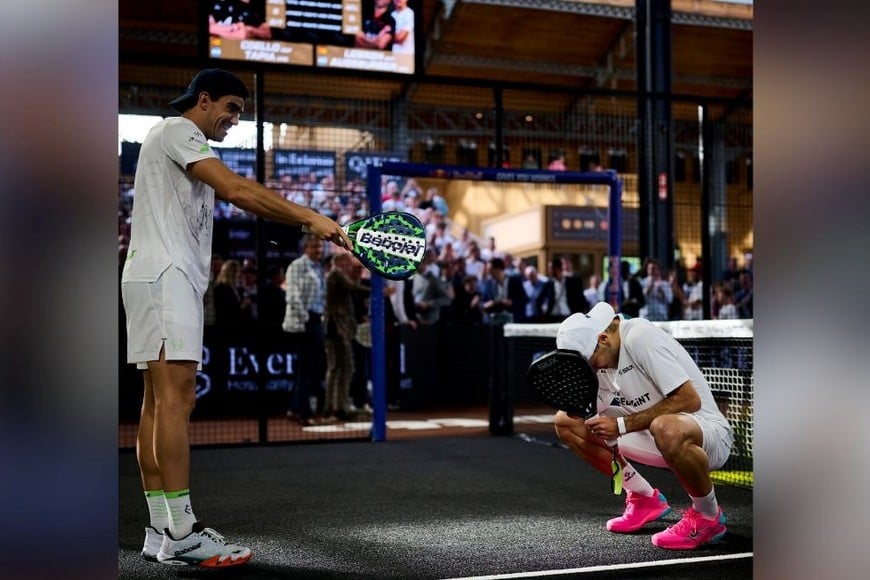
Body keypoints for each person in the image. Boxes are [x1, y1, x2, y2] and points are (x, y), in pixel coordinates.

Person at [120, 68, 351, 568]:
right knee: (176, 400)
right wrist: (311, 217)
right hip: (165, 277)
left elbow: (234, 192)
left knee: (157, 404)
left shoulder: (178, 142)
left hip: (153, 277)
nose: (235, 120)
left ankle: (161, 530)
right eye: (232, 109)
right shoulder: (177, 128)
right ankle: (183, 533)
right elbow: (237, 190)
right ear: (203, 100)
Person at [553, 302, 733, 550]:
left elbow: (689, 400)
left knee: (665, 427)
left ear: (603, 339)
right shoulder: (603, 356)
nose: (593, 368)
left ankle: (708, 516)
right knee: (566, 422)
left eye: (591, 362)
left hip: (707, 434)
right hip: (654, 433)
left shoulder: (639, 337)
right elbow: (593, 411)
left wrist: (621, 425)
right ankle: (643, 497)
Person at [283, 234, 330, 425]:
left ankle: (295, 409)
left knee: (309, 368)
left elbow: (321, 296)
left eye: (320, 247)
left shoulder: (318, 267)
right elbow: (292, 296)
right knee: (306, 368)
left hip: (316, 319)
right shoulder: (297, 266)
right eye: (314, 247)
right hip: (303, 323)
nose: (318, 250)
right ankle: (304, 413)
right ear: (305, 248)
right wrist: (305, 317)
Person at [323, 252, 370, 422]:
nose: (350, 267)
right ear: (342, 263)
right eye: (349, 263)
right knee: (342, 367)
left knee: (339, 368)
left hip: (337, 328)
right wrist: (379, 291)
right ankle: (336, 408)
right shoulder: (336, 275)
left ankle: (336, 407)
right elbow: (354, 287)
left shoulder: (334, 277)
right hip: (337, 329)